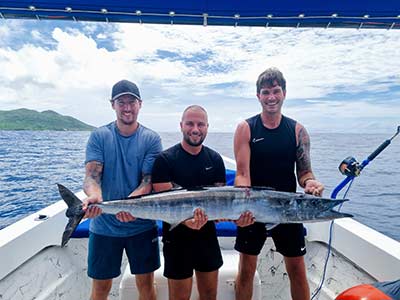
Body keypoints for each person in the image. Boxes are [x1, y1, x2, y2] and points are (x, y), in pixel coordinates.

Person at [233, 68, 325, 300]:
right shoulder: (246, 128)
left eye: (275, 91)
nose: (271, 97)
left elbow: (304, 172)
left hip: (287, 209)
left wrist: (310, 182)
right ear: (258, 96)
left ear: (284, 93)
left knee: (297, 271)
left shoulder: (297, 131)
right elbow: (243, 174)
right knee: (246, 271)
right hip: (252, 208)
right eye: (266, 92)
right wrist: (242, 209)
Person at [82, 79, 162, 300]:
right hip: (104, 226)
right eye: (121, 102)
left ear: (140, 104)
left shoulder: (151, 139)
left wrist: (132, 205)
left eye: (132, 102)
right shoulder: (99, 136)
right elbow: (92, 176)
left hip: (141, 225)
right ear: (112, 104)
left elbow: (148, 181)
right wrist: (94, 196)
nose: (127, 107)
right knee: (100, 289)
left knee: (146, 286)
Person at [151, 105, 226, 300]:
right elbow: (165, 205)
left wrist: (228, 216)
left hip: (207, 237)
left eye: (200, 124)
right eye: (190, 123)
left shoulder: (215, 159)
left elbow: (221, 202)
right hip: (176, 239)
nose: (195, 129)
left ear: (207, 127)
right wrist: (187, 221)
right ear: (181, 126)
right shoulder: (164, 160)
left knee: (209, 295)